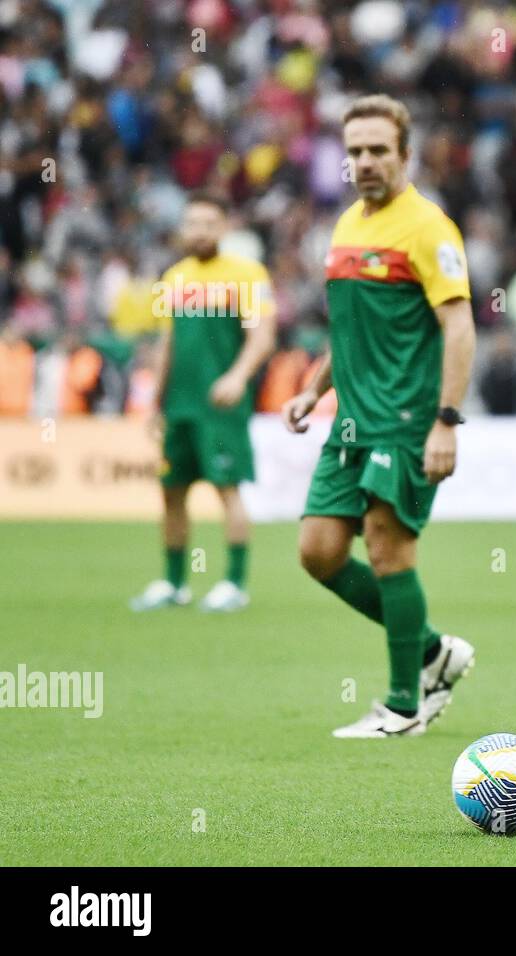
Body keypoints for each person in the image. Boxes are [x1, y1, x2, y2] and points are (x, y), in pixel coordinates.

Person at [282, 95, 477, 738]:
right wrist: (314, 389)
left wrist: (446, 419)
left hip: (406, 417)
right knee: (319, 552)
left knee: (390, 550)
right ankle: (431, 651)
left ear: (404, 155)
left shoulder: (428, 228)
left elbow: (458, 326)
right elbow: (350, 330)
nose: (364, 162)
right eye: (355, 151)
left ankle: (402, 706)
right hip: (349, 421)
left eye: (377, 151)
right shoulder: (345, 228)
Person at [130, 194, 275, 613]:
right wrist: (155, 401)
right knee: (171, 491)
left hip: (221, 406)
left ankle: (234, 582)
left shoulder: (247, 275)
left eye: (209, 223)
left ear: (225, 227)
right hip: (179, 405)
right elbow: (167, 342)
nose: (200, 231)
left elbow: (262, 336)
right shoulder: (174, 278)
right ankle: (174, 583)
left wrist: (237, 376)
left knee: (227, 491)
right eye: (193, 223)